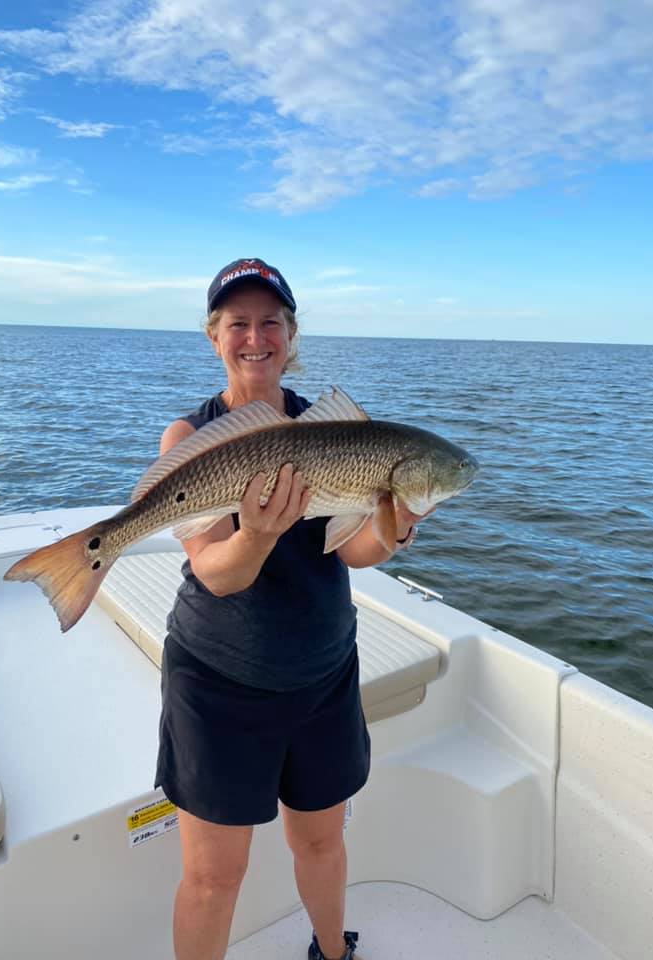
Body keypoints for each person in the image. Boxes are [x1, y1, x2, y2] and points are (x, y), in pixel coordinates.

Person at [154, 258, 424, 960]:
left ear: (290, 333)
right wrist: (258, 534)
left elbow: (351, 549)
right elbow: (215, 575)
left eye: (269, 321)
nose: (255, 336)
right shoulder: (189, 439)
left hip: (321, 670)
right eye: (237, 322)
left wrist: (389, 530)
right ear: (214, 335)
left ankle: (333, 952)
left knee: (322, 840)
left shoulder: (330, 429)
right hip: (217, 680)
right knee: (215, 875)